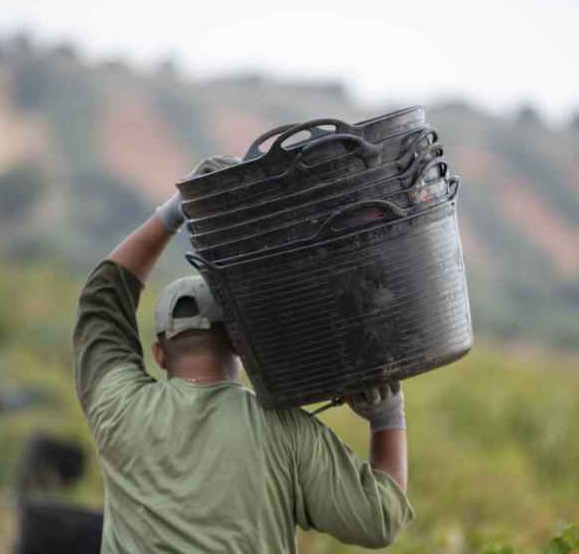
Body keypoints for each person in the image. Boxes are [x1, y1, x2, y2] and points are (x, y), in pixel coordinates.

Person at [73, 156, 414, 553]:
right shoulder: (284, 428)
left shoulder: (119, 409)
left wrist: (174, 213)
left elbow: (102, 298)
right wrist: (388, 416)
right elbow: (379, 520)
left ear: (159, 355)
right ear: (239, 342)